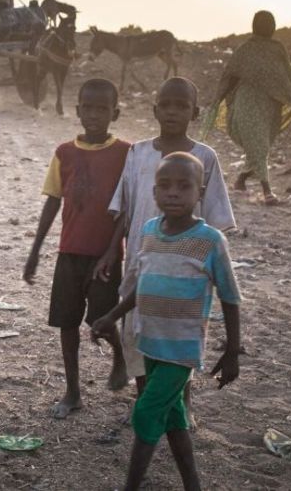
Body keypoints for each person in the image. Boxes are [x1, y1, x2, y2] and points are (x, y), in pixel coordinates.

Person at [92, 152, 241, 491]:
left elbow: (230, 299)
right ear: (154, 192)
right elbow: (142, 287)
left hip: (181, 350)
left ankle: (131, 486)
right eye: (165, 186)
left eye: (184, 186)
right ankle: (192, 484)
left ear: (199, 192)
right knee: (174, 420)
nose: (173, 193)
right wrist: (112, 315)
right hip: (150, 343)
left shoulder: (210, 241)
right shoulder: (148, 232)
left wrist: (232, 350)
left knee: (145, 413)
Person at [94, 77, 235, 408]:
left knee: (178, 338)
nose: (173, 112)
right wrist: (112, 252)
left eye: (182, 106)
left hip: (186, 270)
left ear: (195, 112)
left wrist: (210, 269)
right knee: (139, 335)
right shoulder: (138, 153)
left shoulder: (205, 157)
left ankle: (180, 405)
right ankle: (145, 402)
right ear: (155, 109)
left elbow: (216, 220)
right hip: (143, 263)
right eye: (166, 105)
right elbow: (125, 208)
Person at [22, 78, 131, 419]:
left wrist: (113, 250)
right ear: (78, 109)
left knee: (102, 321)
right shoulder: (64, 153)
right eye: (89, 107)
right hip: (70, 253)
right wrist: (36, 250)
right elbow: (53, 201)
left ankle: (120, 356)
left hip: (105, 256)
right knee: (67, 324)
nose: (95, 114)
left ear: (115, 112)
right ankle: (72, 392)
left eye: (103, 108)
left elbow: (126, 209)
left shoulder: (126, 153)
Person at [204, 10, 291, 204]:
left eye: (270, 23)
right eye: (264, 23)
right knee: (258, 144)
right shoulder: (246, 49)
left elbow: (285, 80)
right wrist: (218, 100)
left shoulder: (278, 49)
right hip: (247, 103)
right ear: (255, 26)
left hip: (269, 105)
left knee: (260, 146)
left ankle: (241, 181)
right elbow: (231, 75)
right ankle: (267, 190)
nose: (268, 26)